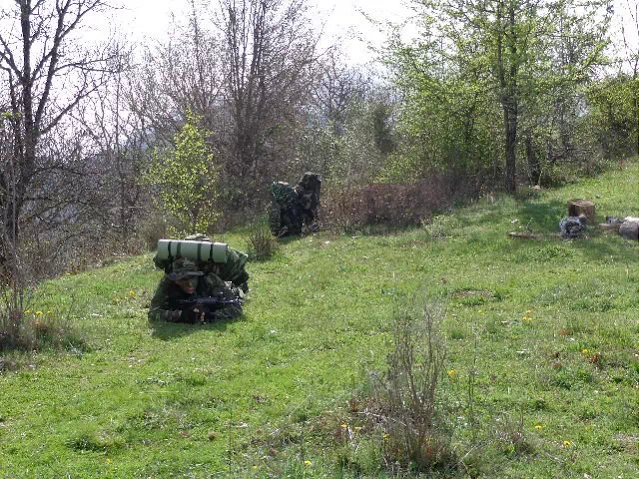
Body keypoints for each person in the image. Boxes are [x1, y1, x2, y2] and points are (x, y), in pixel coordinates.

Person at [148, 257, 243, 323]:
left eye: (193, 278)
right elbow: (153, 313)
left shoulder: (210, 279)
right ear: (176, 280)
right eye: (184, 279)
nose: (189, 283)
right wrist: (182, 315)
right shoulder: (167, 283)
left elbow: (236, 309)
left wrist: (211, 316)